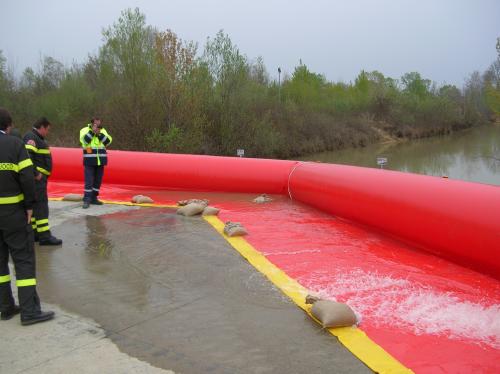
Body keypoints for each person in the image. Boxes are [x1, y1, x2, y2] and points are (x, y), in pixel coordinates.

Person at [0, 108, 55, 325]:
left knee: (0, 264)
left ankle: (5, 306)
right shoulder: (15, 144)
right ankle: (29, 311)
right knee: (23, 260)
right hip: (13, 214)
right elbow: (26, 177)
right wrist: (29, 205)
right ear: (9, 125)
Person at [23, 118, 63, 246]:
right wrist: (36, 173)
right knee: (41, 207)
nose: (47, 132)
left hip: (38, 180)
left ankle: (35, 234)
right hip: (37, 180)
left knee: (36, 207)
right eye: (47, 129)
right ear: (42, 127)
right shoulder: (32, 137)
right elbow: (27, 156)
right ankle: (45, 236)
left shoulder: (37, 138)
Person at [79, 118, 112, 209]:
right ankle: (87, 200)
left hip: (100, 160)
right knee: (89, 181)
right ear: (92, 123)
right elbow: (85, 141)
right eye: (96, 123)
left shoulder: (103, 130)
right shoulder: (84, 130)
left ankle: (94, 198)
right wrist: (92, 132)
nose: (98, 125)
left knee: (98, 180)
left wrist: (99, 134)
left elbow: (107, 142)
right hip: (89, 160)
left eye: (99, 123)